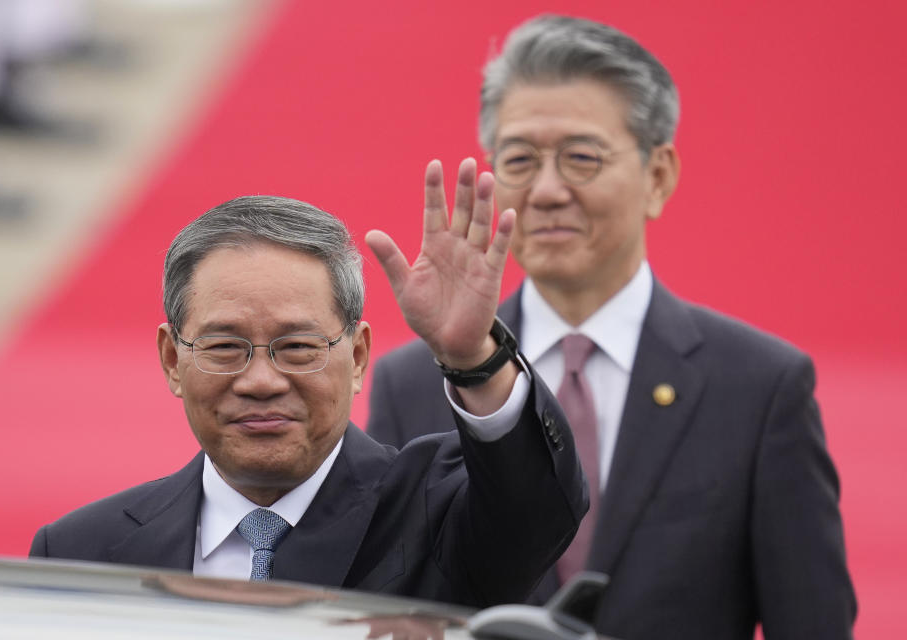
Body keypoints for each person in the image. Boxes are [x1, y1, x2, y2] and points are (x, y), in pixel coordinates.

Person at [366, 14, 856, 639]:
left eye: (581, 158)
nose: (545, 190)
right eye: (519, 158)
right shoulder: (416, 383)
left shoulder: (760, 387)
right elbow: (388, 609)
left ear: (658, 176)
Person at [29, 161, 589, 609]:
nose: (261, 380)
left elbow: (533, 508)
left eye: (297, 347)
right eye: (225, 347)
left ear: (358, 355)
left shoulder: (435, 513)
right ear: (173, 359)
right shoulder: (82, 552)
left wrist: (473, 358)